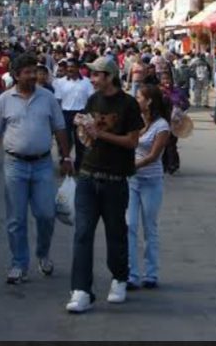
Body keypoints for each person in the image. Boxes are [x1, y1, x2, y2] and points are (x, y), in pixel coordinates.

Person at [0, 54, 73, 284]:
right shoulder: (3, 101)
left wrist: (66, 157)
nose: (33, 75)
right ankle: (18, 264)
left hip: (43, 164)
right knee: (16, 219)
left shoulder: (48, 98)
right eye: (28, 72)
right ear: (16, 75)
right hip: (14, 165)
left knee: (46, 214)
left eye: (34, 71)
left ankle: (43, 254)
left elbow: (60, 128)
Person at [67, 58, 142, 314]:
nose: (92, 79)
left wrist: (101, 135)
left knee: (115, 233)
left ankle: (119, 277)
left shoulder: (128, 104)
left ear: (110, 76)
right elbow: (89, 135)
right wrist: (83, 126)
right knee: (83, 233)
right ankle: (81, 290)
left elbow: (132, 141)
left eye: (96, 75)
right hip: (88, 174)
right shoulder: (93, 100)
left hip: (115, 179)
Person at [126, 85, 171, 290]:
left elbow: (153, 156)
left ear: (149, 101)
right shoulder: (135, 121)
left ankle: (151, 273)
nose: (136, 100)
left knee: (149, 228)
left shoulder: (161, 126)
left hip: (151, 181)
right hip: (132, 181)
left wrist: (130, 166)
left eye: (139, 97)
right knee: (129, 226)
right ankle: (131, 273)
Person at [55, 58, 93, 172]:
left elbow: (91, 99)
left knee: (80, 142)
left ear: (78, 68)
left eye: (72, 66)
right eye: (68, 67)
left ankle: (79, 165)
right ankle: (64, 163)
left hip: (81, 114)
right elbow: (58, 100)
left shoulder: (87, 82)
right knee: (65, 141)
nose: (70, 69)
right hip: (65, 114)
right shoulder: (60, 82)